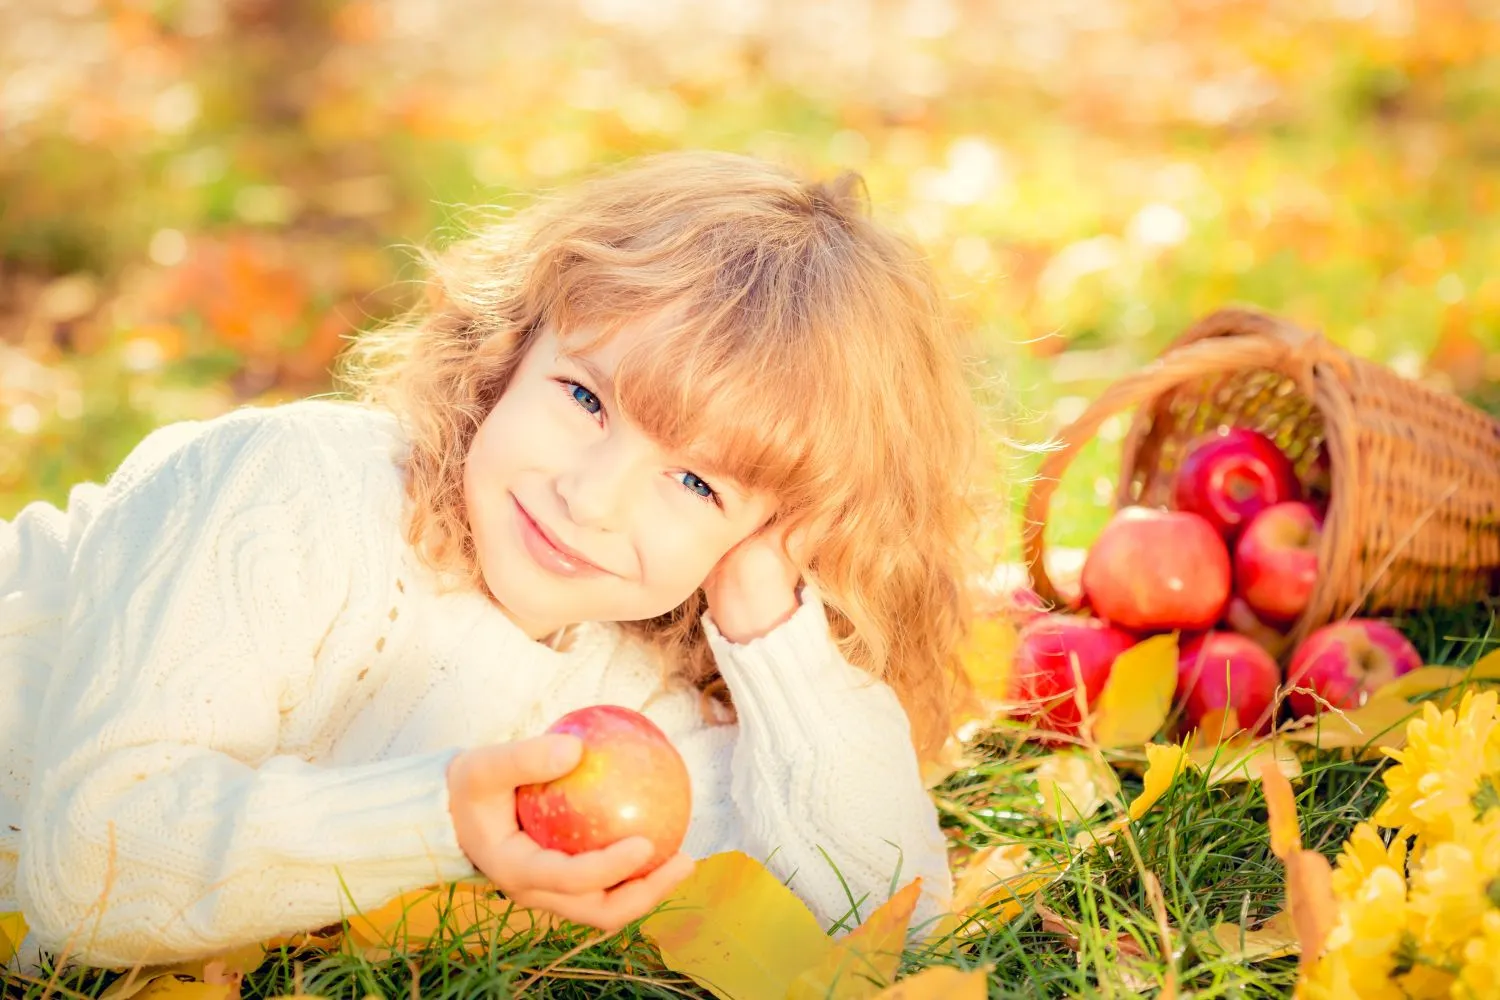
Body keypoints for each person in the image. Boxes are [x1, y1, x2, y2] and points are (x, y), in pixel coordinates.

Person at [0, 150, 997, 971]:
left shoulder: (644, 675)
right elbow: (86, 879)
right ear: (510, 347)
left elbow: (885, 920)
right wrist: (443, 816)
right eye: (585, 398)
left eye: (698, 484)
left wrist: (767, 621)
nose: (592, 496)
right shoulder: (295, 490)